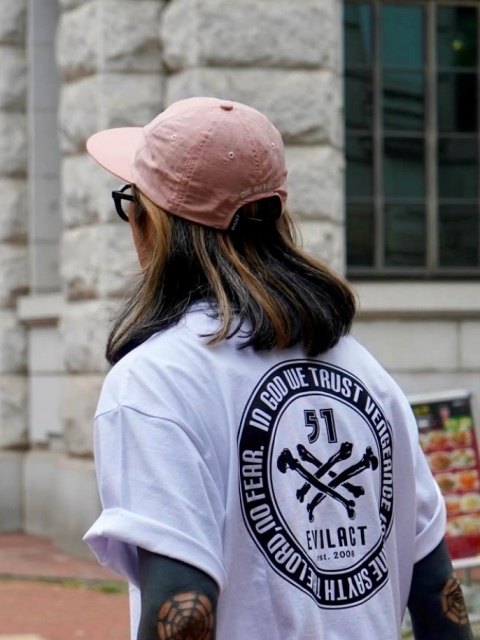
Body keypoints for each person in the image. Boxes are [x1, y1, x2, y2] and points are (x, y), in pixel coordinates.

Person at [83, 97, 473, 640]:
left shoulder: (154, 382)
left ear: (153, 223)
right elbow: (437, 596)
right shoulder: (365, 372)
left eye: (132, 202)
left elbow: (183, 608)